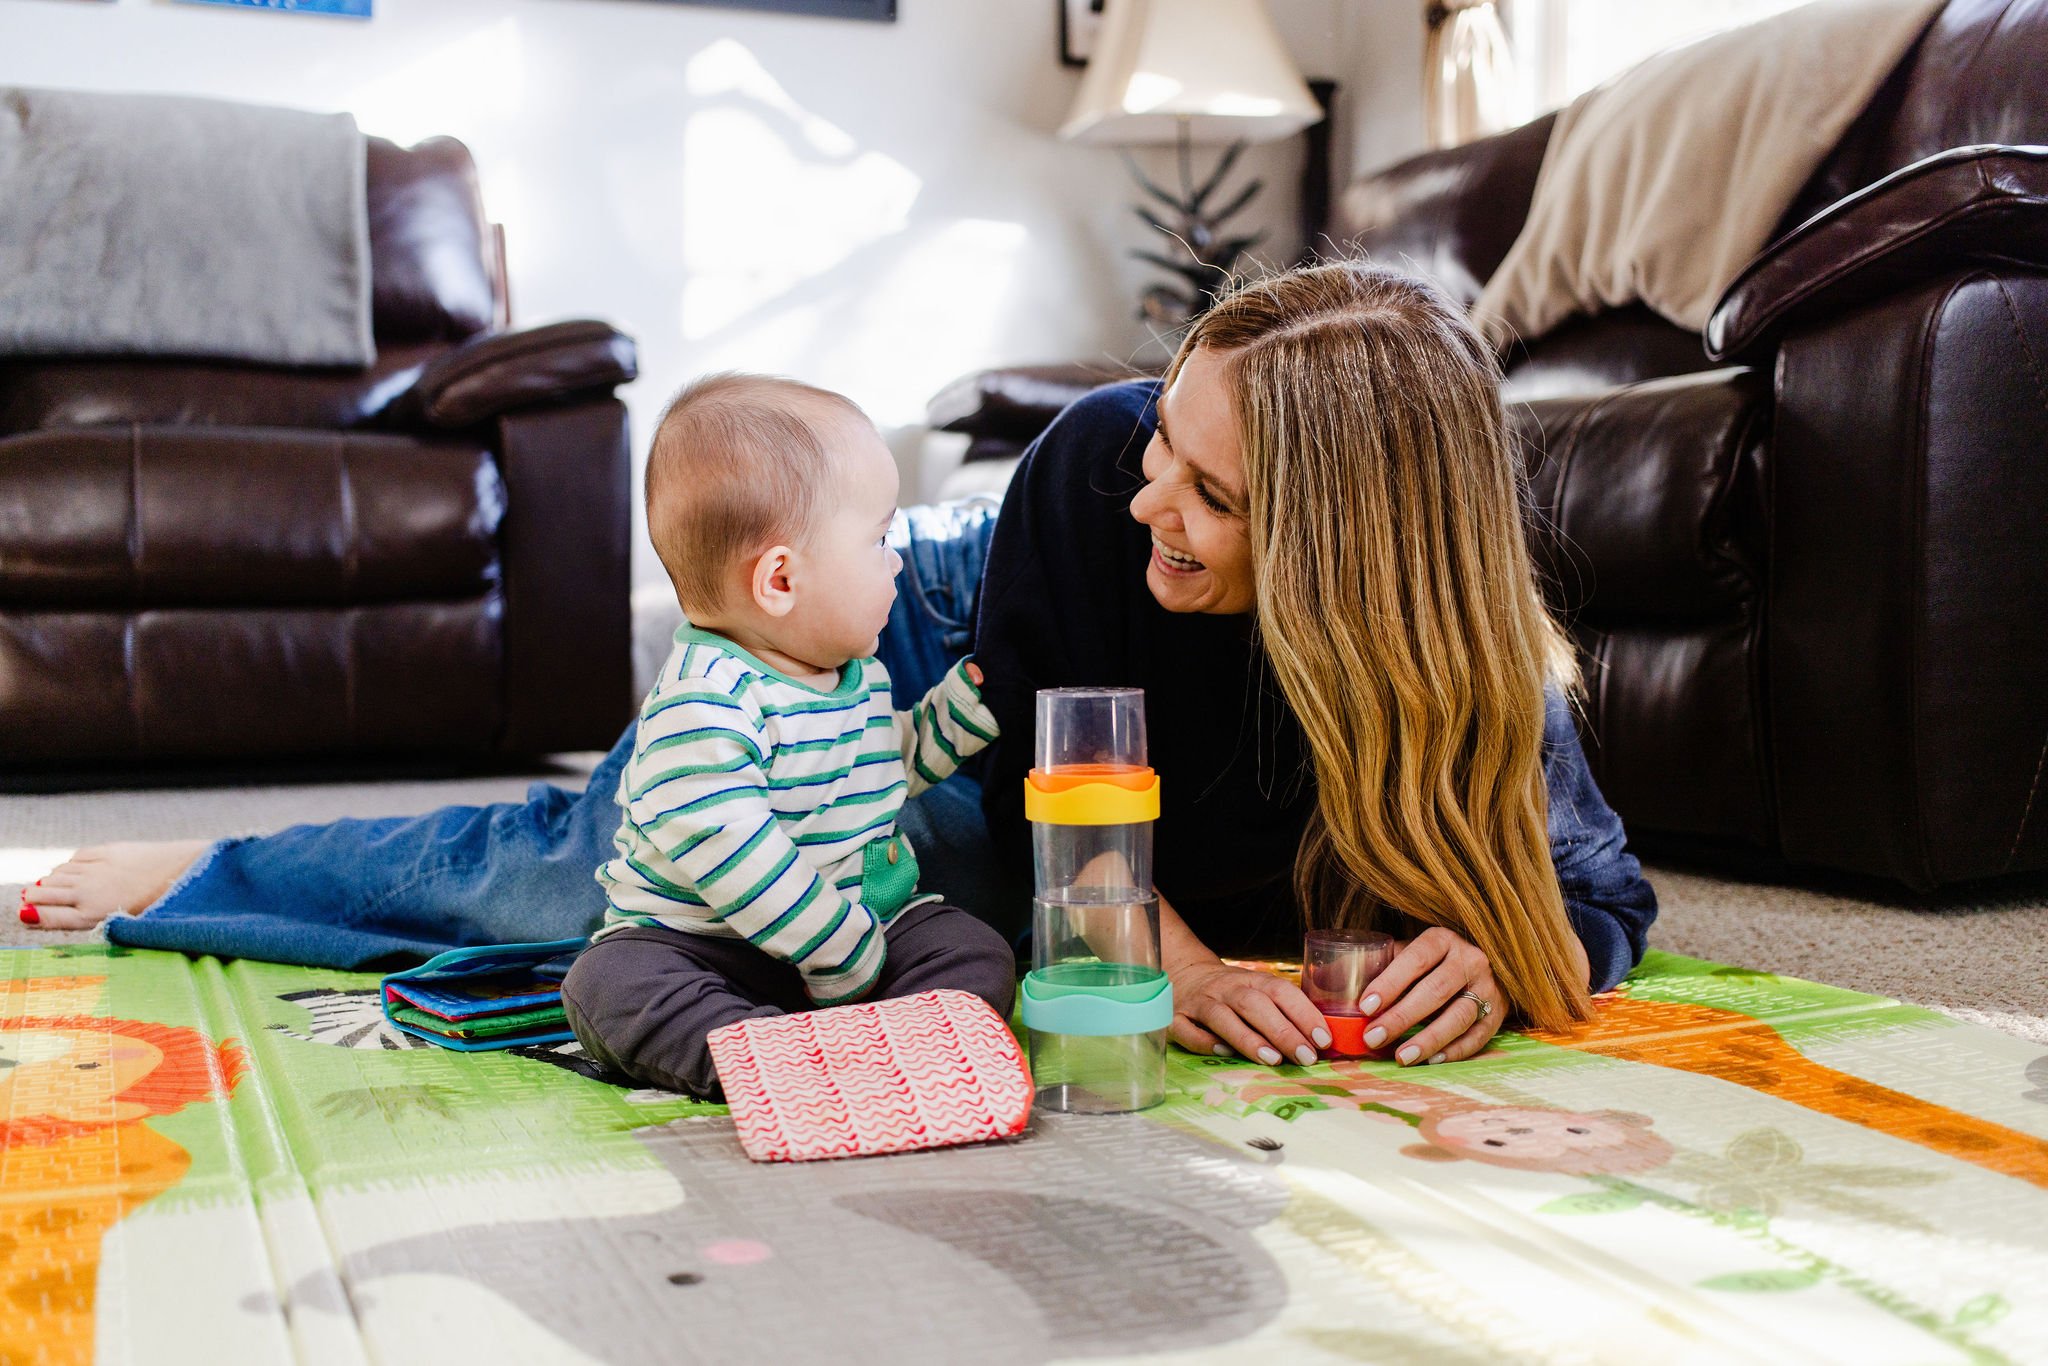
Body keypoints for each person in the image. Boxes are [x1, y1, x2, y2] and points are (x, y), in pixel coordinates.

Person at [25, 261, 1654, 1076]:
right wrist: (1187, 960)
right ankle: (213, 856)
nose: (1154, 490)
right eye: (1169, 438)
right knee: (599, 870)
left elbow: (1597, 891)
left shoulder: (1464, 650)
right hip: (942, 683)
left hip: (1032, 715)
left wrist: (1499, 957)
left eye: (1212, 495)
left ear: (1349, 554)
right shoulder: (1094, 476)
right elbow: (1033, 788)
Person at [563, 373, 1012, 1095]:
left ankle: (857, 1049)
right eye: (879, 539)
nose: (896, 560)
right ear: (780, 580)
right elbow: (728, 840)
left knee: (974, 952)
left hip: (862, 930)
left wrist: (960, 714)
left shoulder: (852, 674)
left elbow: (878, 767)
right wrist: (834, 946)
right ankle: (780, 1058)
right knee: (610, 983)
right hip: (706, 947)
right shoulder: (705, 699)